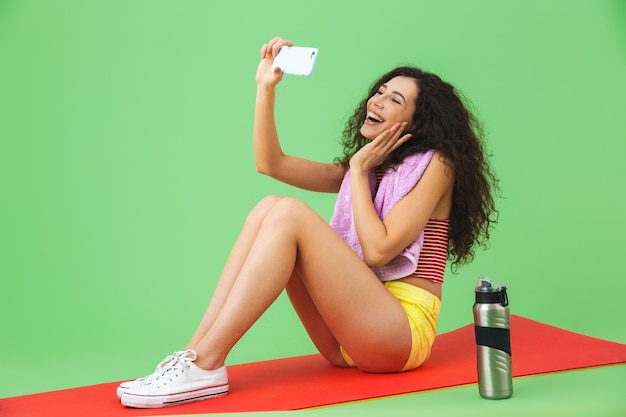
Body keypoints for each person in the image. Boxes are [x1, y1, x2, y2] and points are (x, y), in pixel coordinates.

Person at [117, 37, 499, 409]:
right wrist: (265, 88)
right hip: (346, 340)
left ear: (418, 122)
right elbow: (271, 164)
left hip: (400, 337)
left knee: (290, 214)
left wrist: (359, 165)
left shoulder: (438, 165)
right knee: (270, 206)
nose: (377, 100)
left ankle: (206, 363)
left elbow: (379, 249)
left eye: (394, 99)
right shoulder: (363, 174)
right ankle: (195, 357)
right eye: (379, 92)